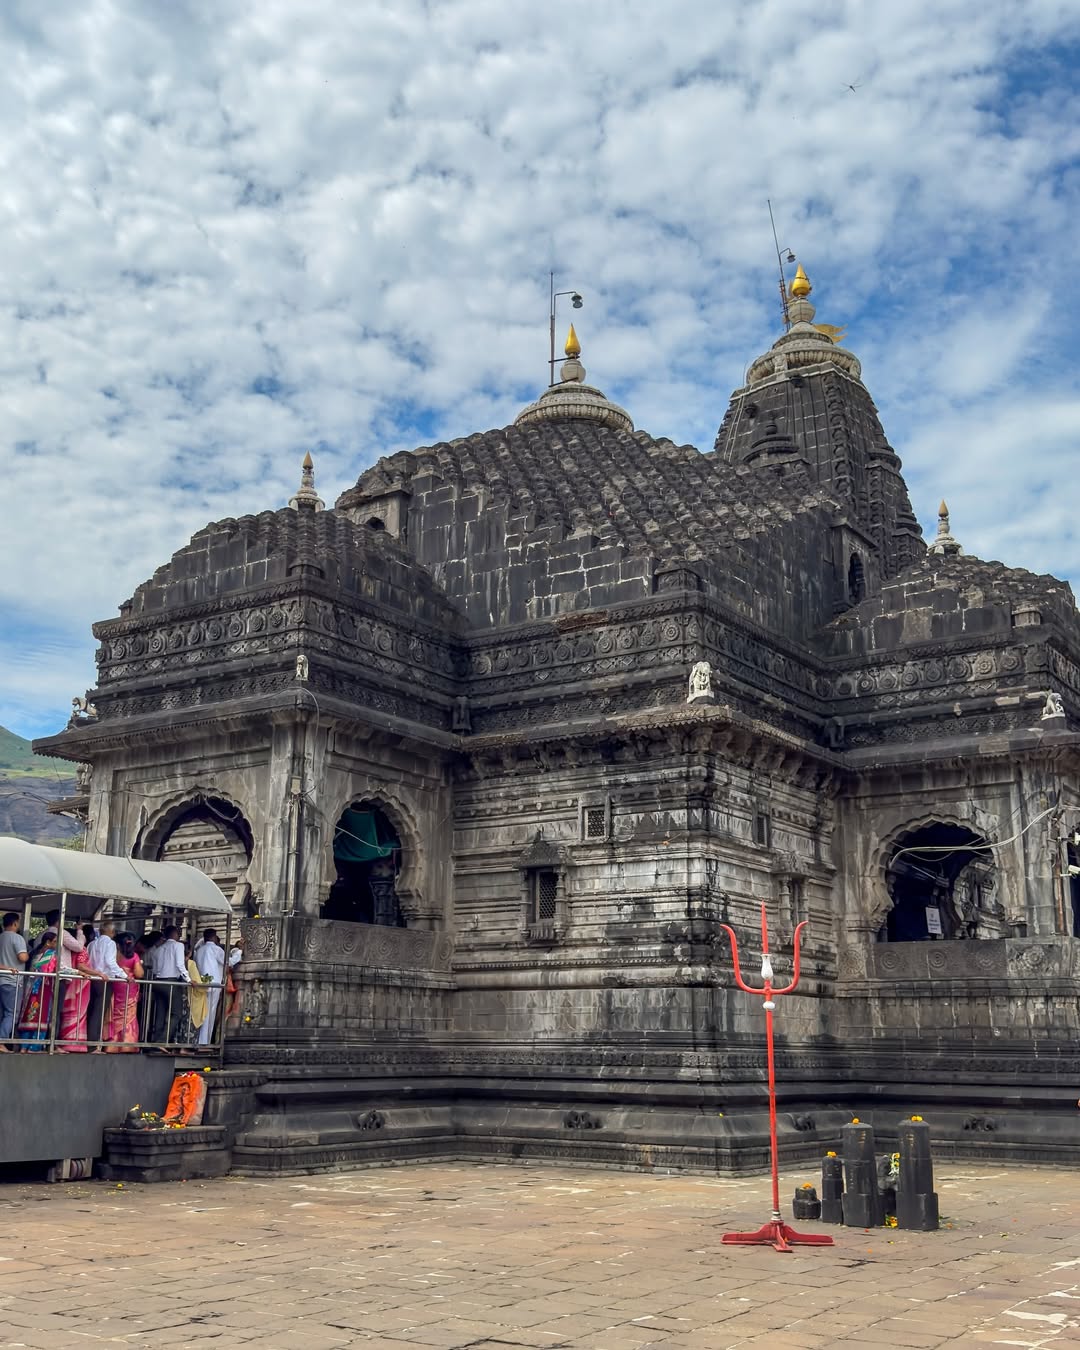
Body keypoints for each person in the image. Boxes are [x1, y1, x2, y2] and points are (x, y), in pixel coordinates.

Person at [86, 920, 127, 1048]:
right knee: (99, 1011)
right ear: (111, 931)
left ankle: (88, 1040)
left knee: (91, 1009)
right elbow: (110, 962)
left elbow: (88, 961)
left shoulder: (92, 944)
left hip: (92, 979)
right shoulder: (110, 943)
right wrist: (124, 976)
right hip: (104, 979)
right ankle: (93, 1044)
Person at [149, 924, 190, 1047]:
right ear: (176, 934)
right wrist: (188, 979)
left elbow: (155, 970)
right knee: (176, 1013)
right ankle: (162, 1041)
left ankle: (155, 1040)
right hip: (171, 982)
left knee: (160, 1012)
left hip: (158, 981)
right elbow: (179, 964)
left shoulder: (158, 949)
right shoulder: (178, 945)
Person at [17, 931, 59, 1049]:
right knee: (41, 1015)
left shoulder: (35, 953)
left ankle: (24, 1046)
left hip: (31, 989)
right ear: (48, 942)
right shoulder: (50, 954)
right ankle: (34, 1047)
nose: (56, 944)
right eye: (55, 942)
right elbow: (50, 971)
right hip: (43, 989)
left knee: (29, 1015)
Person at [106, 933, 144, 1051]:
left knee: (114, 1014)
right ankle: (127, 1044)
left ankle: (112, 1045)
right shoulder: (134, 957)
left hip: (115, 985)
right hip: (129, 988)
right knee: (129, 1016)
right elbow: (139, 974)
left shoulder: (115, 955)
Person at [0, 912, 28, 1049]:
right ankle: (1, 1041)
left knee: (2, 1012)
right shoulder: (17, 938)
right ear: (15, 923)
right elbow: (22, 957)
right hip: (13, 981)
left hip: (1, 980)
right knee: (12, 1013)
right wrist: (28, 954)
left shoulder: (0, 937)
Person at [194, 929, 225, 1046]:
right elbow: (229, 962)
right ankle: (204, 1042)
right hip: (214, 983)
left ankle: (199, 1040)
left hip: (201, 983)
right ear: (213, 937)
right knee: (210, 1013)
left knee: (202, 1011)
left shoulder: (199, 950)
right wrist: (238, 953)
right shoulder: (216, 949)